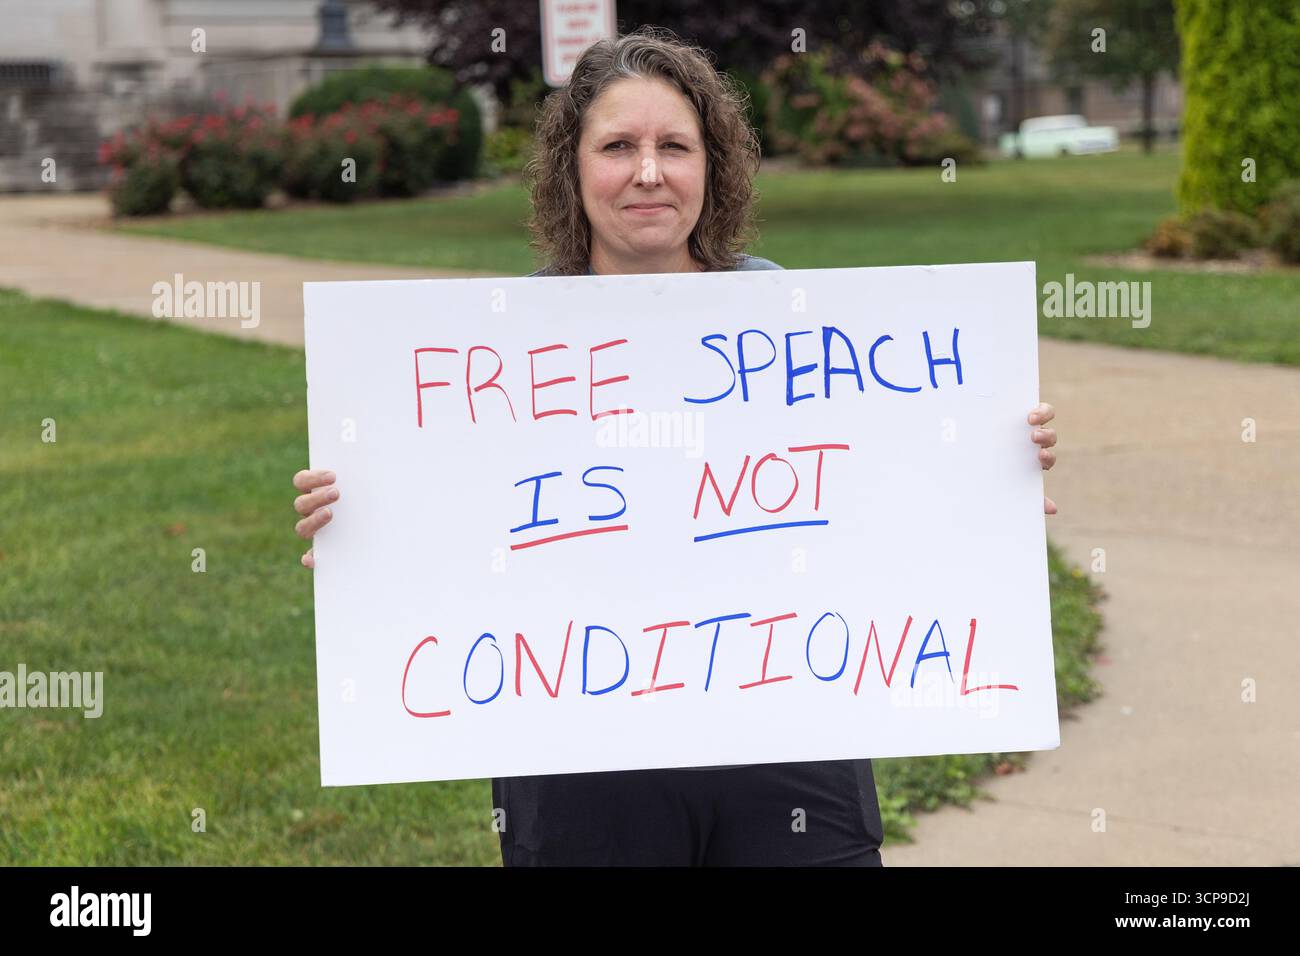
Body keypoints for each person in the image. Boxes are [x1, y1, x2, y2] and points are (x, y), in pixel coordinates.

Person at [292, 26, 1059, 866]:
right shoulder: (501, 351)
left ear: (712, 165)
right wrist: (360, 530)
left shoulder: (787, 320)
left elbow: (869, 489)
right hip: (580, 752)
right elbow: (455, 526)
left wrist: (991, 481)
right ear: (571, 168)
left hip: (787, 733)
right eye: (618, 146)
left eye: (675, 146)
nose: (649, 172)